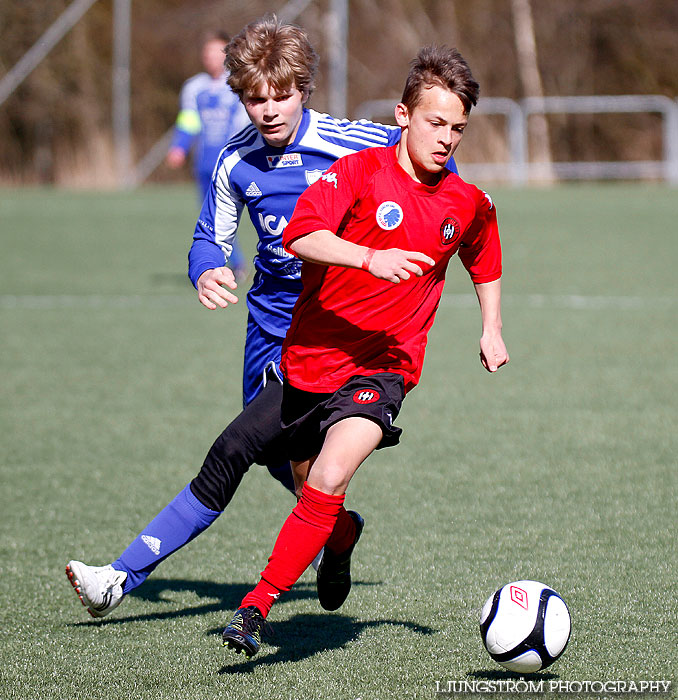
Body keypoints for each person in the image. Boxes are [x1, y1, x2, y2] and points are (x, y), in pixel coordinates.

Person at [65, 16, 458, 620]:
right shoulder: (233, 162)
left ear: (304, 88)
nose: (269, 109)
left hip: (333, 341)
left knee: (232, 452)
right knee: (292, 473)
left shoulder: (355, 144)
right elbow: (207, 238)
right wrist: (206, 269)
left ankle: (118, 577)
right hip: (266, 334)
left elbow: (438, 176)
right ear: (240, 96)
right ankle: (341, 530)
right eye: (254, 97)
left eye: (282, 94)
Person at [220, 44, 509, 659]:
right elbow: (301, 233)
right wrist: (368, 257)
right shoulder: (354, 174)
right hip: (312, 360)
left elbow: (484, 248)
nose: (448, 139)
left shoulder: (464, 199)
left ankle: (254, 609)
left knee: (328, 473)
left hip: (385, 367)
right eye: (436, 123)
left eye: (458, 128)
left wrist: (492, 326)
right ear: (403, 117)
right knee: (279, 473)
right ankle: (342, 535)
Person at [166, 30, 251, 280]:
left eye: (217, 52)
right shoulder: (194, 87)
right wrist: (179, 146)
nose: (211, 57)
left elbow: (245, 124)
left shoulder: (240, 85)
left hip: (235, 163)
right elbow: (189, 120)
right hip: (204, 164)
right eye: (207, 52)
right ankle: (232, 263)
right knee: (211, 217)